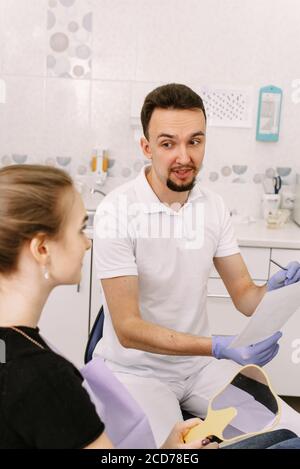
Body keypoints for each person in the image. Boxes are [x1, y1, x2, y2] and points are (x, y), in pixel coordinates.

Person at [93, 83, 300, 446]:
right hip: (136, 372)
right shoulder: (118, 210)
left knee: (291, 432)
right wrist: (218, 346)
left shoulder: (213, 207)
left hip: (199, 369)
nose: (184, 157)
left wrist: (278, 290)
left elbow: (245, 297)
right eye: (168, 143)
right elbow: (127, 328)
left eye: (195, 141)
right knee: (176, 452)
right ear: (146, 147)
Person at [0, 164, 213, 450]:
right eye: (79, 230)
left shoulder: (18, 350)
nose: (87, 243)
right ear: (42, 249)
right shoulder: (45, 379)